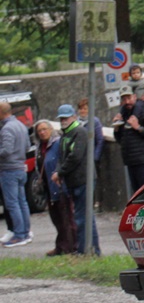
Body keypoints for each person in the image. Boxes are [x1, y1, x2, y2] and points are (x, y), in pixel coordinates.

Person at [54, 104, 100, 255]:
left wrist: (60, 172)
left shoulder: (79, 132)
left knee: (84, 217)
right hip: (74, 181)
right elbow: (62, 156)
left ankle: (90, 250)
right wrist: (60, 173)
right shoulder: (66, 134)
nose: (63, 121)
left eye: (66, 118)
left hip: (83, 180)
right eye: (61, 118)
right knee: (81, 216)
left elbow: (75, 156)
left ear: (73, 117)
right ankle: (86, 250)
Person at [36, 119, 75, 256]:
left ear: (51, 129)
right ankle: (61, 246)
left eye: (44, 129)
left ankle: (71, 247)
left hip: (60, 186)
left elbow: (64, 161)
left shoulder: (58, 143)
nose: (42, 132)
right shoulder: (40, 147)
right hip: (48, 189)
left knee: (67, 219)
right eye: (39, 130)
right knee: (57, 219)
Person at [112, 85, 144, 194]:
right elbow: (121, 140)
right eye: (124, 99)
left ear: (134, 97)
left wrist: (138, 127)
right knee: (137, 196)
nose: (127, 101)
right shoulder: (123, 115)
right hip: (131, 161)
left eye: (129, 98)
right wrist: (116, 129)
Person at [0, 100, 32, 247]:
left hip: (9, 170)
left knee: (12, 204)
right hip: (21, 167)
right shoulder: (20, 125)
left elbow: (6, 151)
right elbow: (27, 146)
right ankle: (25, 231)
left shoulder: (6, 129)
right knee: (22, 202)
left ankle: (19, 235)